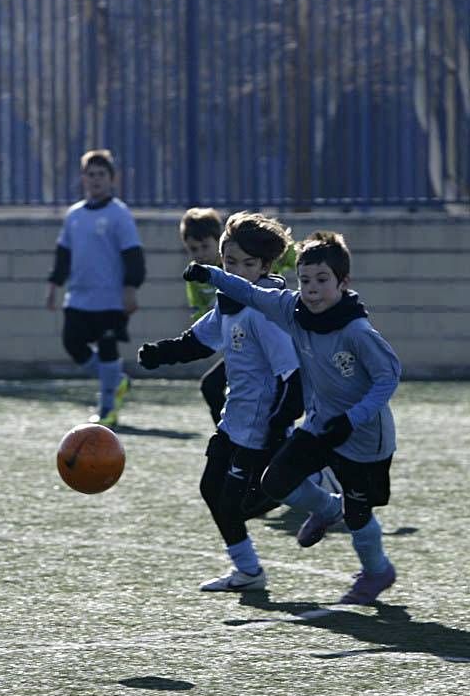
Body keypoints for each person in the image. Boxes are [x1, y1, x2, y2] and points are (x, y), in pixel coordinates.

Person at [183, 230, 401, 605]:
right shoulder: (291, 308)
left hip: (362, 436)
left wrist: (353, 418)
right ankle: (325, 508)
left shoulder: (357, 330)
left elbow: (388, 376)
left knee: (360, 510)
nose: (312, 289)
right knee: (276, 480)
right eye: (305, 280)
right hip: (319, 425)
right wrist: (211, 275)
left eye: (322, 281)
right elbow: (251, 293)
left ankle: (377, 571)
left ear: (343, 282)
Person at [139, 212, 304, 592]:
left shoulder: (265, 312)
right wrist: (159, 354)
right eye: (230, 262)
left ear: (265, 267)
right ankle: (248, 572)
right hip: (234, 422)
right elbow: (198, 341)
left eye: (248, 264)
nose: (237, 270)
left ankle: (321, 499)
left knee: (240, 503)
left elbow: (292, 376)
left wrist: (279, 425)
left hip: (260, 428)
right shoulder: (228, 302)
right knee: (211, 490)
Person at [45, 149, 145, 427]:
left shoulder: (119, 214)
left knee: (108, 347)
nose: (96, 179)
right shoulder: (74, 215)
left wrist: (130, 288)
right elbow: (63, 254)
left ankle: (107, 408)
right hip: (78, 296)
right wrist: (54, 284)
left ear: (112, 179)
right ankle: (117, 380)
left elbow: (133, 255)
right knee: (72, 343)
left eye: (102, 174)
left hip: (111, 299)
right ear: (83, 178)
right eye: (91, 174)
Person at [179, 208, 227, 425]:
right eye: (193, 249)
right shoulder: (196, 275)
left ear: (220, 241)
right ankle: (227, 438)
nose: (200, 254)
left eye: (205, 246)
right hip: (238, 346)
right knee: (211, 387)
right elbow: (200, 312)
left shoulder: (236, 264)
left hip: (262, 346)